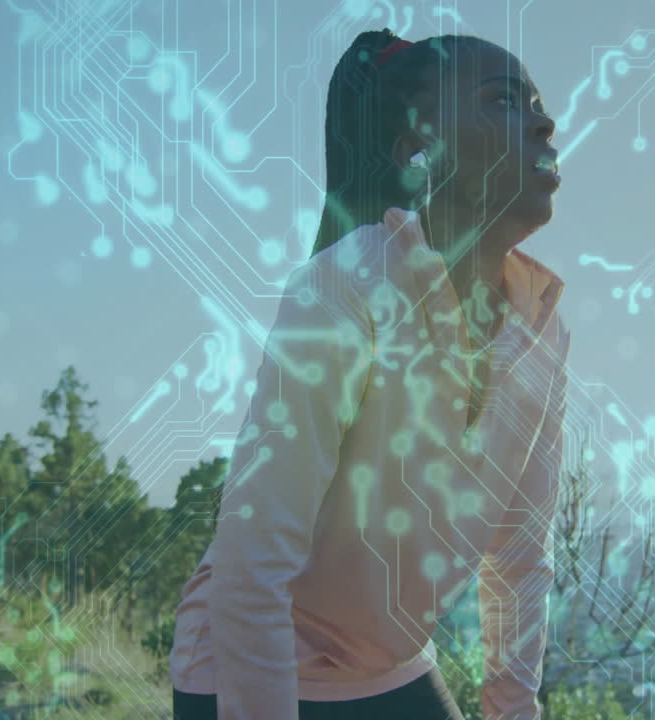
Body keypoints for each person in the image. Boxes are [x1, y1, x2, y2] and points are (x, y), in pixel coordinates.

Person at [170, 26, 571, 720]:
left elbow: (519, 555)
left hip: (389, 664)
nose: (544, 121)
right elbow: (252, 559)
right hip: (253, 659)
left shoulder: (543, 327)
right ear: (421, 151)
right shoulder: (348, 284)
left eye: (536, 103)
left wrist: (514, 712)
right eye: (504, 101)